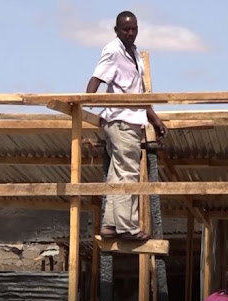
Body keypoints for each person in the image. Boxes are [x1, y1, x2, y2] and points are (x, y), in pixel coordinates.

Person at [86, 10, 166, 241]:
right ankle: (127, 228)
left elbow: (137, 95)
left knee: (118, 173)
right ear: (117, 30)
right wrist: (86, 104)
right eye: (125, 29)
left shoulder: (134, 54)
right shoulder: (113, 50)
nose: (130, 33)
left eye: (134, 29)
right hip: (121, 120)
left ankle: (110, 225)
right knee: (128, 172)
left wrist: (155, 120)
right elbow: (96, 78)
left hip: (131, 118)